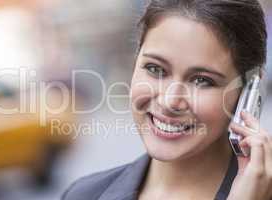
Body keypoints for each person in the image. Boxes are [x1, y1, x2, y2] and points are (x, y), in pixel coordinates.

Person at [62, 0, 272, 199]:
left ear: (249, 91)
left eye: (202, 80)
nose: (170, 101)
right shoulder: (83, 195)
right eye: (155, 69)